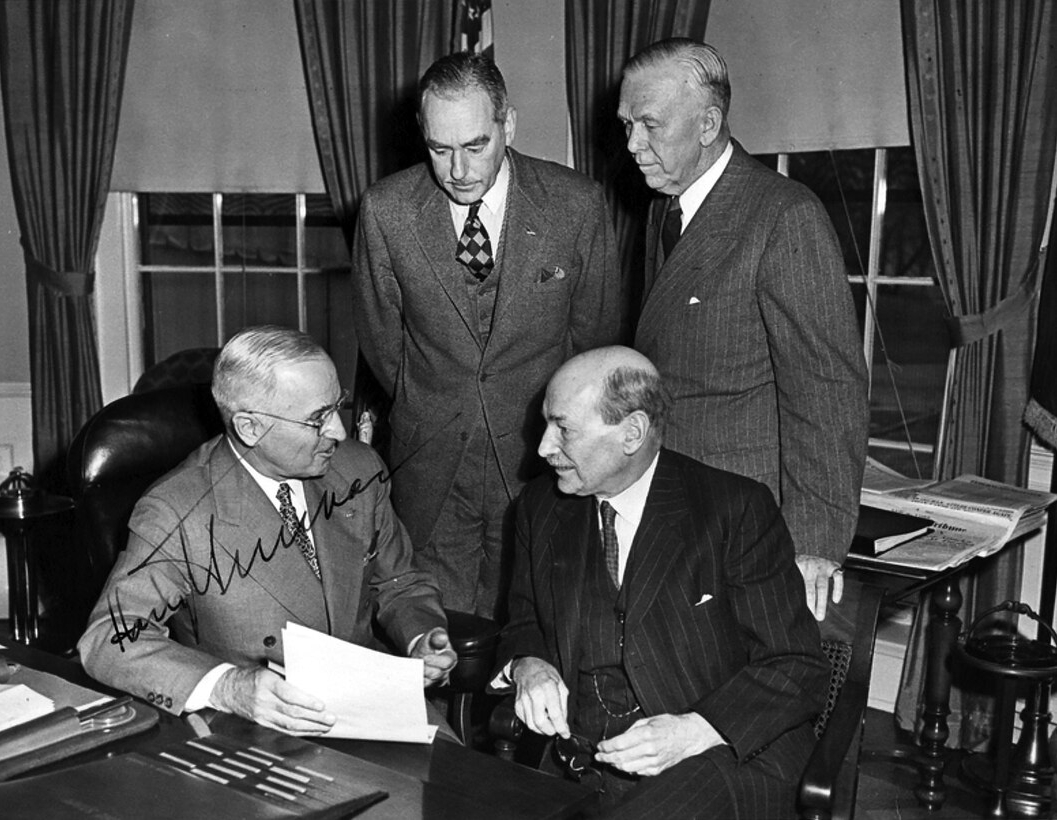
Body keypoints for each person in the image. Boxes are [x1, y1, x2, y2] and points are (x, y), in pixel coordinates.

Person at [496, 346, 828, 818]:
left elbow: (797, 665)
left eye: (563, 429)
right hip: (579, 762)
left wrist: (695, 729)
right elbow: (523, 619)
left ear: (632, 432)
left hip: (717, 758)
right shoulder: (542, 506)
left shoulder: (733, 510)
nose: (544, 447)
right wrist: (529, 664)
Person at [79, 326, 456, 736]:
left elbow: (399, 581)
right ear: (250, 428)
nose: (338, 432)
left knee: (469, 792)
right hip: (257, 725)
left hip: (376, 708)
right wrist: (227, 687)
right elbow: (109, 638)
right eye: (317, 419)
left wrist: (419, 635)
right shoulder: (177, 510)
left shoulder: (357, 470)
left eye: (336, 407)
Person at [353, 52, 621, 621]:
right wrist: (435, 403)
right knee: (433, 640)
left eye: (475, 145)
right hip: (431, 470)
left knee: (534, 634)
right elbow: (384, 345)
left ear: (509, 125)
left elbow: (594, 340)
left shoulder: (576, 205)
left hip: (540, 463)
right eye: (440, 149)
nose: (459, 170)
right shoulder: (386, 211)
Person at [619, 38, 869, 620]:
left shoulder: (784, 216)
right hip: (671, 509)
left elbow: (827, 393)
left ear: (708, 124)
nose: (632, 145)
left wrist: (813, 543)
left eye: (650, 125)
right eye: (627, 124)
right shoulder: (664, 208)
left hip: (740, 528)